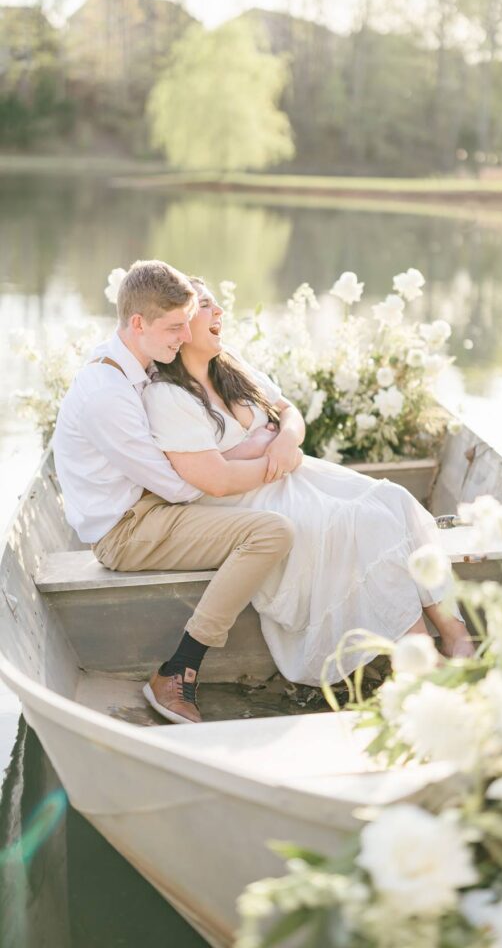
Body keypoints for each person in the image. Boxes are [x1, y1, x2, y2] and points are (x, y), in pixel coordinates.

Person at [142, 277, 474, 689]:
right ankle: (418, 654)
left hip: (296, 473)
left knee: (394, 499)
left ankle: (457, 635)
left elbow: (288, 411)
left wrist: (283, 439)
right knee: (362, 522)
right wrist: (272, 458)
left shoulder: (230, 367)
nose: (219, 313)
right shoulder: (168, 397)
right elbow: (215, 481)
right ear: (181, 325)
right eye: (207, 306)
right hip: (247, 502)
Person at [53, 261, 294, 725]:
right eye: (174, 327)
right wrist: (261, 457)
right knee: (270, 533)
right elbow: (178, 484)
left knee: (285, 509)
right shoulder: (107, 392)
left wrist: (236, 456)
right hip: (126, 530)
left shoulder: (133, 366)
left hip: (151, 507)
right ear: (138, 323)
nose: (185, 337)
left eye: (188, 324)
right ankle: (178, 668)